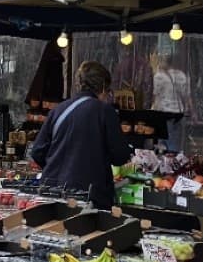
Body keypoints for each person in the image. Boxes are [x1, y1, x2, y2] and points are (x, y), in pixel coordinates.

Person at [31, 61, 132, 209]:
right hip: (90, 196)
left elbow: (37, 152)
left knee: (53, 231)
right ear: (103, 87)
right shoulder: (105, 112)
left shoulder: (59, 110)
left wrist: (59, 168)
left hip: (51, 192)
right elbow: (120, 156)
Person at [149, 48, 193, 154]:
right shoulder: (181, 76)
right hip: (178, 115)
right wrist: (191, 112)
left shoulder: (159, 76)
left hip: (163, 115)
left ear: (163, 61)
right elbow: (187, 97)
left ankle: (164, 166)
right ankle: (173, 166)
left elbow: (154, 96)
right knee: (174, 145)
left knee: (161, 145)